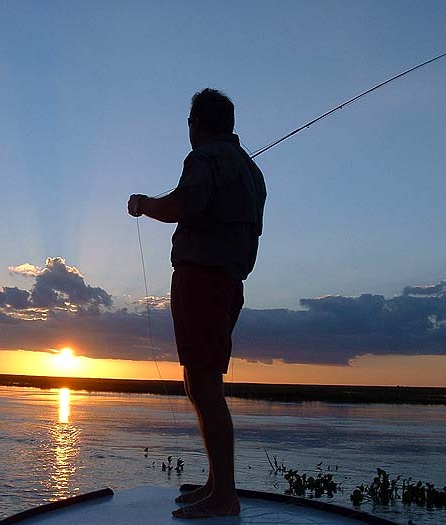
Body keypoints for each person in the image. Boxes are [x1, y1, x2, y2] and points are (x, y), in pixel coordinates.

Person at [127, 88, 266, 519]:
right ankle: (215, 484)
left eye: (189, 123)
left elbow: (185, 203)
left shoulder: (203, 159)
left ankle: (224, 495)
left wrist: (145, 205)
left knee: (203, 385)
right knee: (200, 382)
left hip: (203, 278)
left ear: (197, 124)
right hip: (227, 282)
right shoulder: (251, 170)